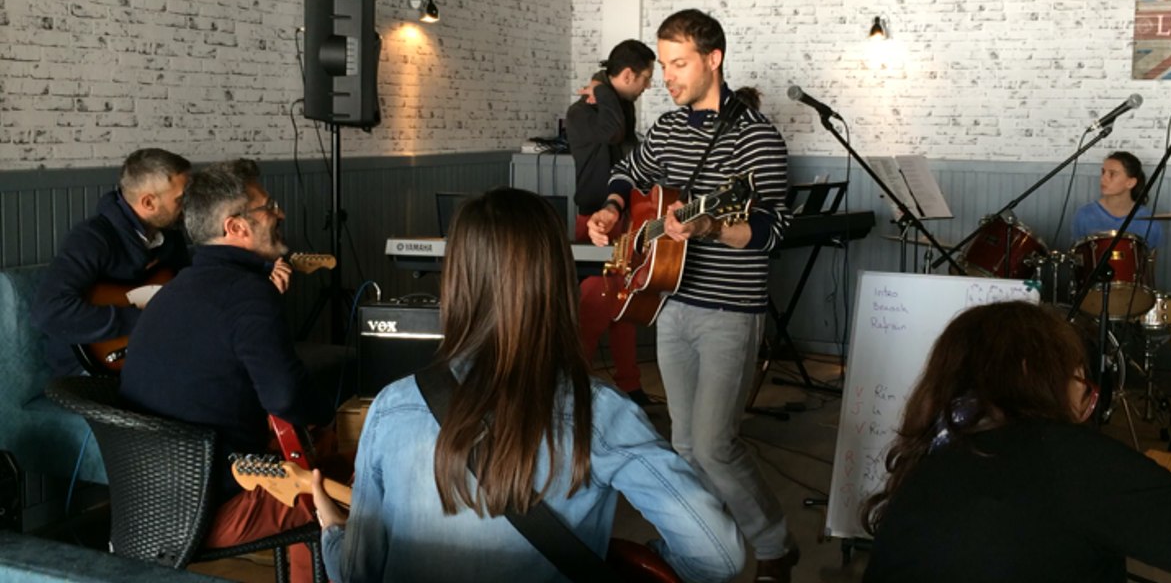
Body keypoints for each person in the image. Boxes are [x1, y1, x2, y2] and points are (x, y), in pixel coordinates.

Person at [309, 188, 744, 583]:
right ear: (556, 280)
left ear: (456, 281)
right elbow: (719, 555)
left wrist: (332, 531)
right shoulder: (602, 413)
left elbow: (356, 574)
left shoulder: (390, 407)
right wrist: (630, 563)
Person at [586, 10, 798, 581]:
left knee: (714, 446)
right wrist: (611, 209)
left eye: (679, 64)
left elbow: (774, 231)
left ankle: (774, 545)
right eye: (664, 64)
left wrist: (714, 228)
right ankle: (702, 546)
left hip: (731, 310)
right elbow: (628, 170)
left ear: (713, 60)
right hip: (673, 302)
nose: (669, 77)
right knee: (682, 445)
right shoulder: (669, 128)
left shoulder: (758, 140)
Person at [861, 300, 1171, 583]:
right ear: (1032, 370)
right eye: (1078, 372)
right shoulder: (1069, 462)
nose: (1088, 389)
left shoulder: (933, 451)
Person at [120, 159, 332, 583]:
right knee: (354, 483)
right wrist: (326, 412)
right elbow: (287, 399)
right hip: (210, 511)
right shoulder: (250, 296)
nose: (280, 214)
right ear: (236, 228)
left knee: (316, 452)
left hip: (145, 507)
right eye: (269, 207)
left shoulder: (172, 291)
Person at [32, 148, 192, 376]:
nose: (187, 205)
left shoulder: (171, 236)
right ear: (148, 203)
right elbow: (48, 311)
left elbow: (185, 292)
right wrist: (144, 320)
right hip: (91, 365)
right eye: (180, 199)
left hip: (156, 350)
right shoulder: (92, 238)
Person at [566, 39, 657, 406]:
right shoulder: (584, 111)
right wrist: (602, 87)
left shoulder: (618, 106)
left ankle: (630, 384)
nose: (649, 86)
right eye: (646, 78)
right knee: (593, 306)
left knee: (626, 304)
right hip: (593, 218)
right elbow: (612, 133)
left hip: (624, 215)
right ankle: (575, 387)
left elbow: (626, 149)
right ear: (628, 74)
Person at [1070, 151, 1171, 393]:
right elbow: (1078, 262)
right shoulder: (1084, 215)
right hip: (1093, 297)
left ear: (1131, 182)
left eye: (1112, 173)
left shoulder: (1149, 220)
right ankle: (1078, 392)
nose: (1103, 178)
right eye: (1103, 172)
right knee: (1069, 326)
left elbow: (1149, 267)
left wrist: (1143, 295)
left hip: (1137, 294)